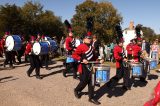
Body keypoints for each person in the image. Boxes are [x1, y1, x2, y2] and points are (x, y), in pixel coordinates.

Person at [72, 34, 103, 105]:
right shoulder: (81, 46)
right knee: (84, 82)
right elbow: (74, 55)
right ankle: (77, 90)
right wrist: (82, 59)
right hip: (84, 67)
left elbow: (94, 57)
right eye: (87, 38)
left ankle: (91, 98)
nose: (89, 39)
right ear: (84, 40)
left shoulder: (92, 47)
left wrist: (99, 60)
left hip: (92, 66)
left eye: (90, 38)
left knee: (92, 82)